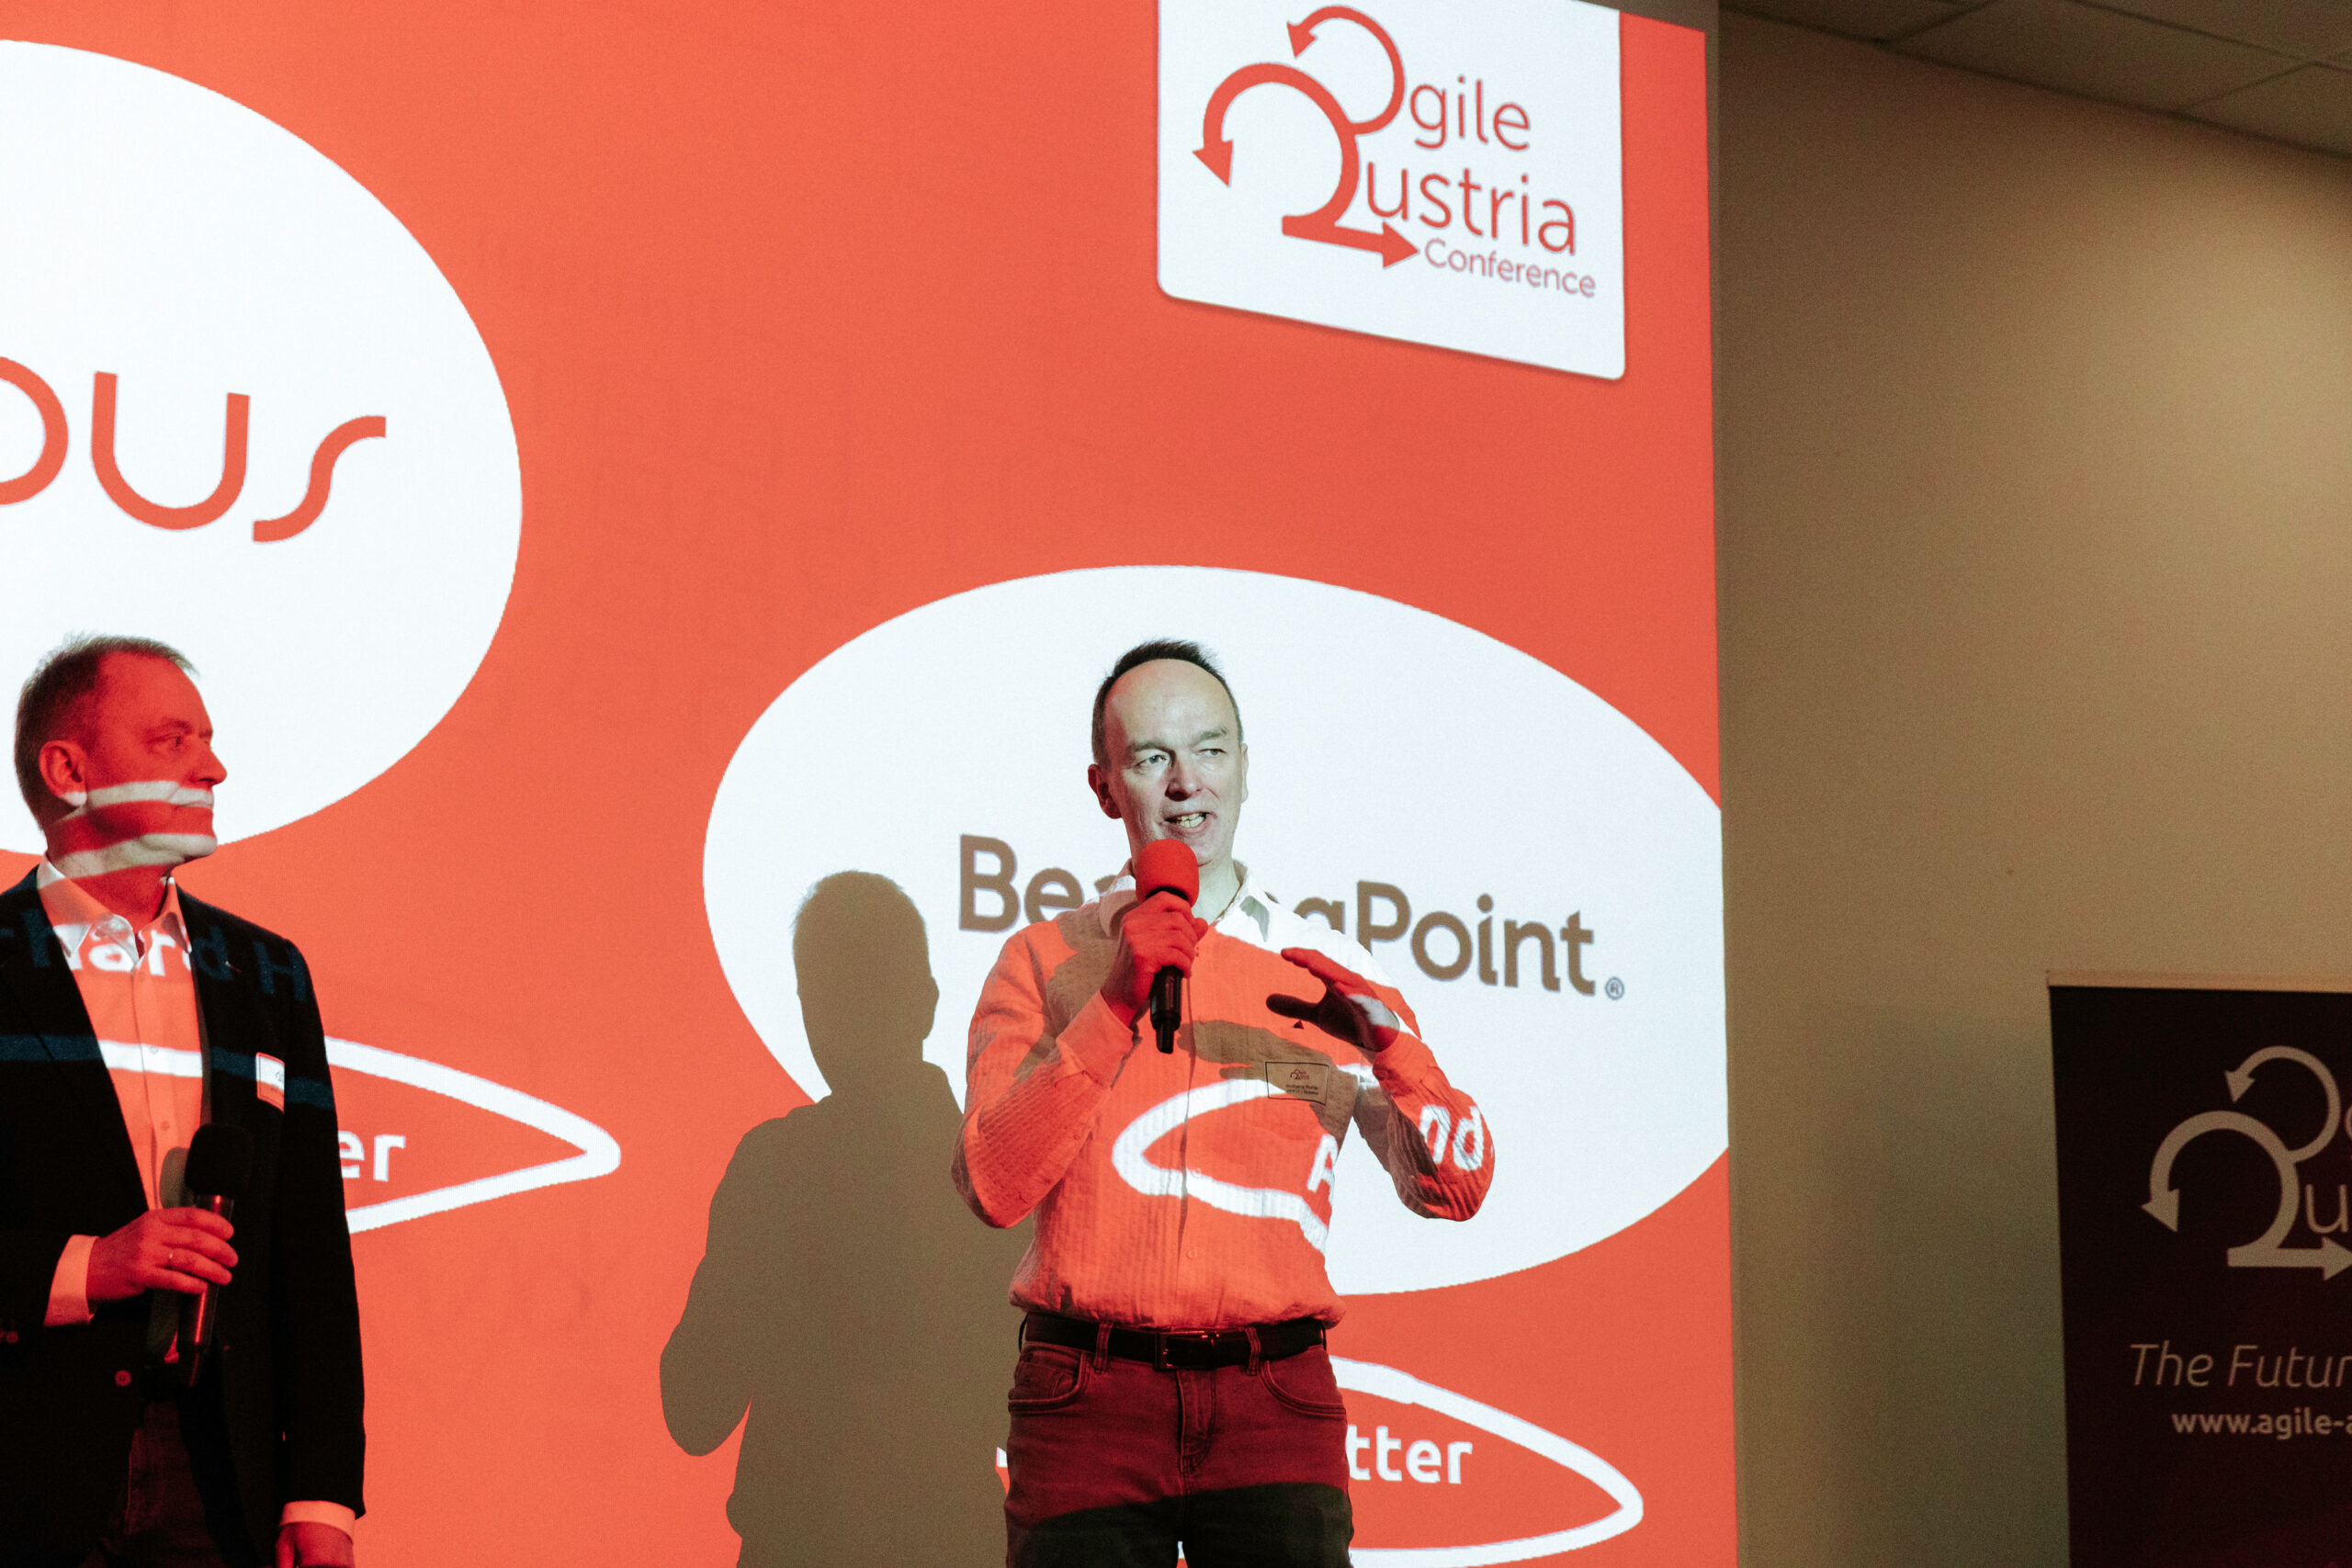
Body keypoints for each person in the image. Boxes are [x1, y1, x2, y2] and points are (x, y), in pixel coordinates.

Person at [953, 639, 1494, 1568]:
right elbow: (993, 1184)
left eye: (1208, 750)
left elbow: (1458, 1187)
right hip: (1086, 1397)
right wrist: (1114, 1003)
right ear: (1105, 787)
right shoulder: (1044, 960)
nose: (1184, 784)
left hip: (1271, 1397)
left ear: (1245, 766)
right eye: (1150, 758)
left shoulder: (1325, 971)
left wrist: (1395, 1052)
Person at [0, 637, 364, 1568]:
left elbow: (310, 1243)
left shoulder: (266, 974)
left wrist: (322, 1489)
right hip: (21, 1464)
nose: (213, 769)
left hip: (220, 1474)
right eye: (172, 741)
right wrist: (88, 1266)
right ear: (69, 771)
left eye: (206, 740)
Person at [662, 872, 1025, 1567]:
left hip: (797, 1545)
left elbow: (694, 1409)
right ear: (927, 1002)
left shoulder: (773, 1168)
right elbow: (1021, 1417)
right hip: (954, 1545)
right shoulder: (999, 1174)